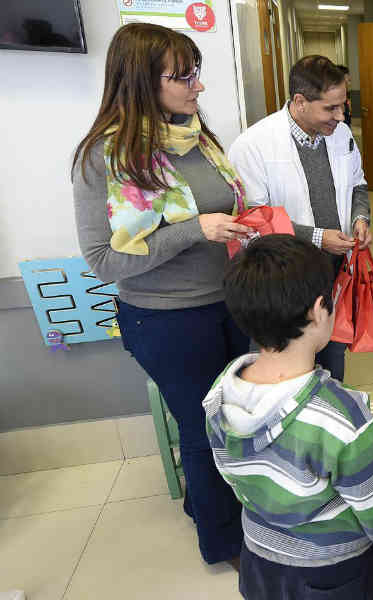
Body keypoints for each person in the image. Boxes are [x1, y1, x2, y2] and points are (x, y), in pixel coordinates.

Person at [72, 23, 253, 566]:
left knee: (239, 421)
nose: (198, 87)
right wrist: (195, 230)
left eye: (197, 72)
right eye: (184, 75)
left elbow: (227, 209)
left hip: (229, 303)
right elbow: (103, 260)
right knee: (203, 430)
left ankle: (214, 506)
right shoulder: (104, 159)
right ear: (142, 80)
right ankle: (223, 545)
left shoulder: (198, 137)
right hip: (167, 319)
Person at [206, 235, 373, 599]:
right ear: (320, 310)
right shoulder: (344, 421)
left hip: (260, 560)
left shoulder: (220, 391)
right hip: (334, 572)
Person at [228, 54, 371, 382]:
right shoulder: (254, 145)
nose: (341, 115)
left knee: (333, 358)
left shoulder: (340, 134)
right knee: (285, 369)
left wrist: (361, 219)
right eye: (330, 108)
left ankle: (328, 412)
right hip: (282, 283)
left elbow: (359, 186)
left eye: (342, 105)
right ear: (300, 101)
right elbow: (255, 221)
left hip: (333, 273)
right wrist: (319, 237)